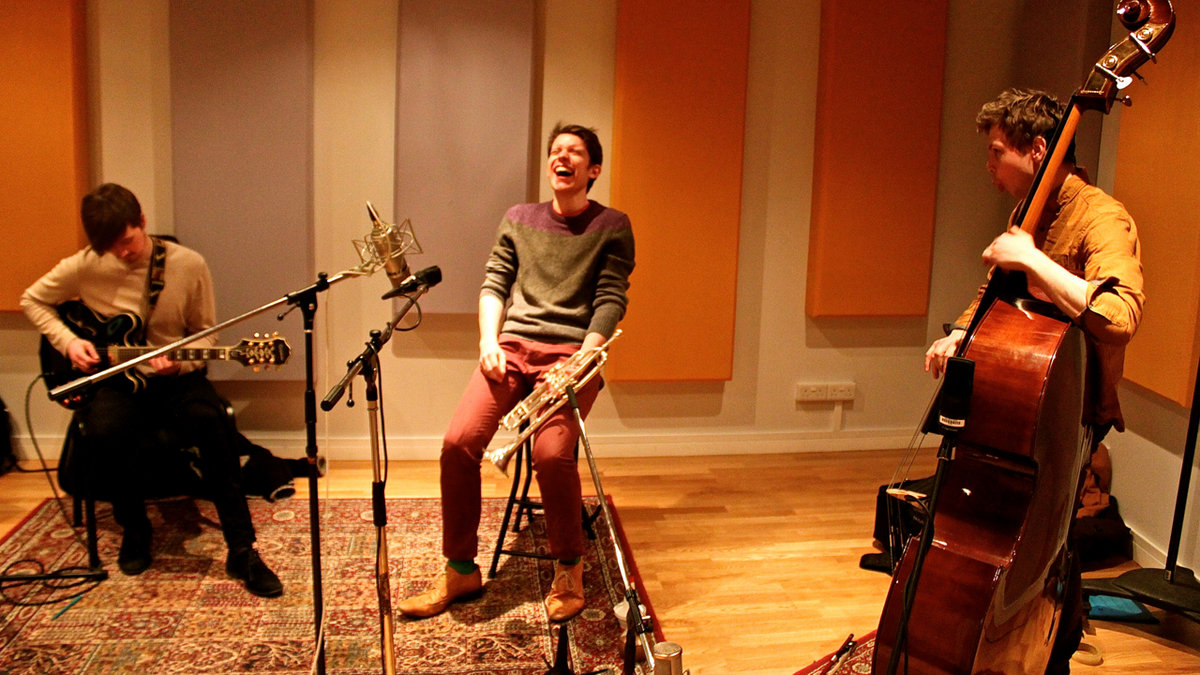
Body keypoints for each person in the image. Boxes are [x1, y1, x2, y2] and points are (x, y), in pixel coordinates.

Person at [924, 89, 1144, 674]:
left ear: (1038, 149)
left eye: (997, 152)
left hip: (1070, 411)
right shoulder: (1029, 211)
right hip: (1021, 403)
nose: (989, 165)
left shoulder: (1101, 217)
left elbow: (1120, 316)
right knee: (1014, 537)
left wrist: (1035, 260)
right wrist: (962, 333)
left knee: (1046, 546)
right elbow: (996, 287)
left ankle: (1050, 652)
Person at [398, 123, 635, 622]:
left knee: (551, 455)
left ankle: (568, 567)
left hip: (572, 357)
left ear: (593, 169)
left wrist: (581, 360)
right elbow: (495, 283)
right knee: (458, 442)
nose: (561, 157)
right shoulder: (519, 218)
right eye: (556, 150)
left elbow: (611, 299)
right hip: (511, 349)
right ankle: (460, 569)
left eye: (574, 152)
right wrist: (488, 342)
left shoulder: (612, 225)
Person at [21, 183, 283, 598]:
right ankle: (135, 528)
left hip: (175, 378)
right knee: (105, 430)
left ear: (141, 221)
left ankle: (242, 549)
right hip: (117, 378)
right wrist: (68, 342)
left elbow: (206, 334)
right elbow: (32, 300)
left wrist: (181, 363)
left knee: (214, 422)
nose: (122, 252)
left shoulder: (188, 264)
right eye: (112, 247)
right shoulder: (85, 265)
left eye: (127, 240)